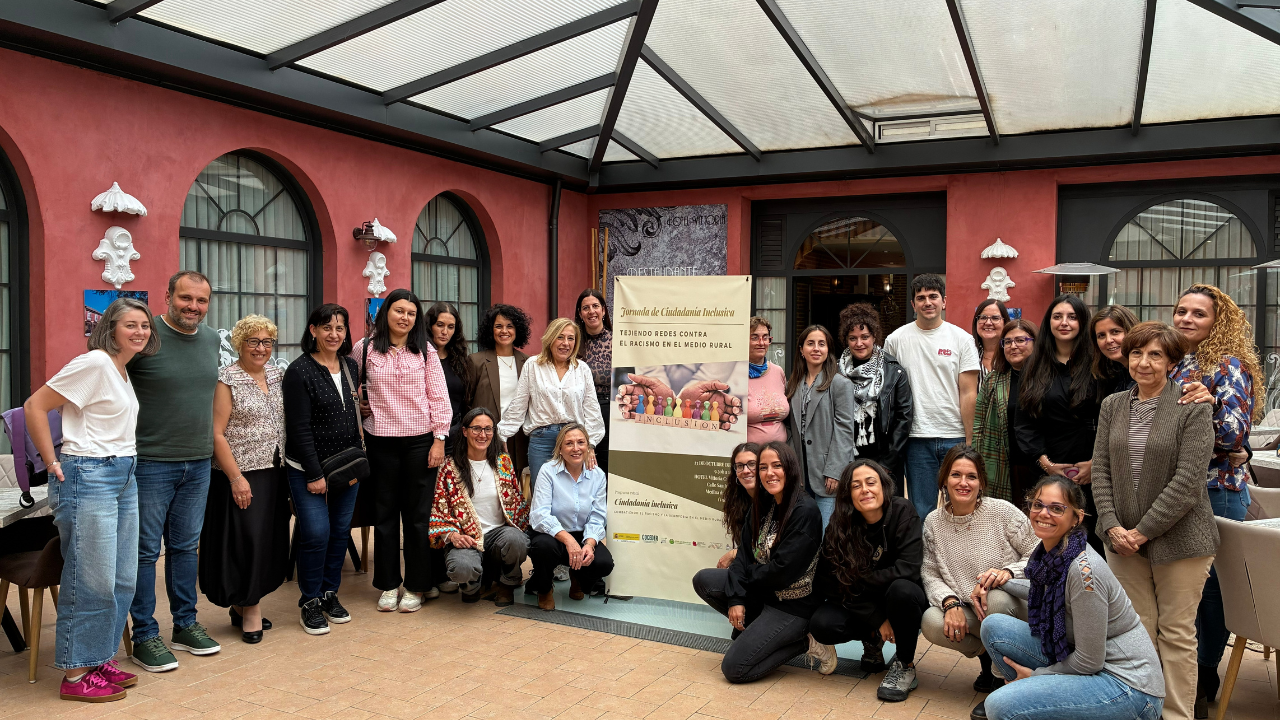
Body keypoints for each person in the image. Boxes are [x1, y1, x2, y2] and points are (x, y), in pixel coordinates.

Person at [25, 298, 156, 702]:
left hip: (123, 474)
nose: (139, 332)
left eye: (145, 326)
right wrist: (52, 461)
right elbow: (35, 406)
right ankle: (76, 673)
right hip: (90, 474)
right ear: (110, 328)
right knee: (91, 579)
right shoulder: (96, 362)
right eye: (130, 325)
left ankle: (99, 658)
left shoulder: (120, 369)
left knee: (120, 579)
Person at [1091, 321, 1217, 720]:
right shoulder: (1112, 405)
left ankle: (1177, 715)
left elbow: (1188, 483)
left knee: (1177, 635)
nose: (1143, 363)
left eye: (1155, 355)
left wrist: (1142, 532)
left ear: (1172, 361)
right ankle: (1142, 710)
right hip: (1121, 540)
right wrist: (1111, 526)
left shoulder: (1193, 407)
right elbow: (1101, 471)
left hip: (1181, 542)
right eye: (1136, 353)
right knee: (1137, 632)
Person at [976, 476, 1165, 720]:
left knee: (999, 706)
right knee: (994, 627)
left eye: (1056, 508)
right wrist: (996, 579)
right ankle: (1035, 704)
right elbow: (1041, 590)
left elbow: (1089, 662)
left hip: (1129, 687)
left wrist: (1036, 677)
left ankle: (1026, 700)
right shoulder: (1053, 552)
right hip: (1091, 667)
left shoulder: (1084, 572)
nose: (1044, 514)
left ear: (1076, 517)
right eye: (1038, 505)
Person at [1170, 284, 1264, 717]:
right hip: (1178, 489)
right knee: (1186, 586)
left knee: (1209, 589)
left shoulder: (1227, 364)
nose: (1187, 319)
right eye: (1181, 311)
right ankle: (1189, 669)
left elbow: (1233, 435)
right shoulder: (1174, 362)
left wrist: (1208, 406)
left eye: (1198, 314)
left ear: (1217, 321)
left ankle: (1206, 669)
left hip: (1216, 491)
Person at [126, 271, 222, 672]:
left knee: (185, 549)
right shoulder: (144, 339)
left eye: (201, 301)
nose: (193, 307)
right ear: (167, 297)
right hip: (150, 462)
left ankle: (185, 624)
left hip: (198, 462)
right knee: (145, 552)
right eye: (186, 298)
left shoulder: (213, 339)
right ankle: (144, 635)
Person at [352, 289, 452, 613]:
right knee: (384, 517)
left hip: (420, 443)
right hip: (379, 441)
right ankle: (388, 584)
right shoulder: (363, 348)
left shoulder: (425, 352)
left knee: (417, 518)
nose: (405, 317)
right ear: (386, 313)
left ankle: (416, 585)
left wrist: (439, 439)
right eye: (399, 310)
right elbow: (351, 389)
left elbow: (439, 398)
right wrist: (360, 404)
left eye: (411, 312)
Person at [692, 441, 823, 684]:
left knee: (734, 669)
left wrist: (744, 580)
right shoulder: (764, 502)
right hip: (765, 592)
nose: (769, 473)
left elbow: (782, 573)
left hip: (793, 604)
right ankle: (757, 627)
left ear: (791, 468)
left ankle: (804, 641)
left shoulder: (805, 511)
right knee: (704, 580)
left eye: (777, 466)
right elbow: (743, 554)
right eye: (763, 467)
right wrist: (737, 598)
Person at [199, 315, 289, 645]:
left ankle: (243, 603)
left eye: (267, 342)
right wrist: (236, 478)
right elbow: (217, 433)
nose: (260, 348)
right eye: (253, 341)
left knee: (266, 540)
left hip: (275, 469)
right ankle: (250, 608)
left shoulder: (277, 375)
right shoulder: (227, 379)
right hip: (241, 473)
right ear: (240, 344)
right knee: (247, 541)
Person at [921, 445, 1037, 695]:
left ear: (981, 482)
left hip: (1014, 606)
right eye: (956, 475)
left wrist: (1007, 572)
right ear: (944, 479)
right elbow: (930, 574)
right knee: (931, 621)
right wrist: (950, 603)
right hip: (971, 609)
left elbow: (1040, 553)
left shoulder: (1002, 512)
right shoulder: (933, 522)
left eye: (971, 476)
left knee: (994, 599)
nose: (963, 483)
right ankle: (989, 657)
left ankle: (1000, 681)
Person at [807, 461, 926, 703]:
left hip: (899, 597)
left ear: (884, 486)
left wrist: (860, 579)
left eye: (871, 482)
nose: (865, 490)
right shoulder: (840, 524)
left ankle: (905, 664)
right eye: (856, 485)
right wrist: (876, 619)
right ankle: (873, 637)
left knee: (902, 590)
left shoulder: (903, 511)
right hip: (861, 600)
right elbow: (832, 581)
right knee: (823, 624)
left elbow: (909, 568)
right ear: (848, 494)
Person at [283, 304, 363, 635]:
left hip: (347, 465)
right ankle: (310, 601)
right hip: (307, 468)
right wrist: (314, 474)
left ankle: (330, 593)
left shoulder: (350, 366)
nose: (334, 334)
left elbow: (351, 409)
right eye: (326, 327)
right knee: (316, 532)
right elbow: (298, 428)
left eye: (340, 328)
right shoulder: (298, 371)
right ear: (313, 330)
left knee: (341, 531)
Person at [883, 274, 980, 523]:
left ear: (943, 301)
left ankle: (958, 561)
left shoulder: (962, 339)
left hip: (955, 436)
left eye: (933, 296)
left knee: (962, 507)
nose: (928, 302)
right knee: (922, 510)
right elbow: (889, 394)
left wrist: (969, 440)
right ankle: (925, 562)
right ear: (913, 304)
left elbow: (969, 392)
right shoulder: (895, 341)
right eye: (921, 298)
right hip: (916, 439)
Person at [1015, 294, 1104, 554]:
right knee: (1051, 538)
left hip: (1092, 466)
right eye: (1057, 316)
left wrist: (1096, 463)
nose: (1064, 323)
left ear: (1082, 322)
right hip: (1048, 464)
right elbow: (1024, 422)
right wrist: (1046, 464)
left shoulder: (1099, 364)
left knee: (1091, 541)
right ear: (1048, 322)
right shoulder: (1033, 365)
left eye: (1072, 317)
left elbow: (1112, 418)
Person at [430, 407, 530, 606]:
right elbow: (439, 510)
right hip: (466, 538)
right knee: (461, 568)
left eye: (488, 429)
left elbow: (517, 503)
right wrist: (453, 536)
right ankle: (471, 585)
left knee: (518, 540)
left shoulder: (503, 462)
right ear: (465, 431)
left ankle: (507, 584)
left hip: (498, 535)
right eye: (476, 429)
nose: (482, 435)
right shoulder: (449, 467)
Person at [497, 318, 604, 489]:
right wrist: (502, 433)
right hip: (541, 441)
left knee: (573, 493)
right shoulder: (533, 365)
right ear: (550, 338)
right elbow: (519, 404)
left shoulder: (582, 369)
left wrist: (590, 445)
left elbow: (592, 410)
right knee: (542, 494)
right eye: (560, 337)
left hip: (574, 440)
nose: (565, 343)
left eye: (571, 338)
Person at [527, 423, 613, 610]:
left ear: (588, 447)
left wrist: (589, 544)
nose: (576, 448)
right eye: (569, 443)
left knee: (604, 564)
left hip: (582, 533)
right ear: (560, 449)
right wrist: (568, 540)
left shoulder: (597, 475)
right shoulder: (548, 471)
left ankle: (578, 578)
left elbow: (598, 516)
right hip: (551, 534)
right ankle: (544, 588)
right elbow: (539, 515)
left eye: (581, 442)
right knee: (543, 547)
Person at [785, 325, 855, 529]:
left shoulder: (840, 383)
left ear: (828, 349)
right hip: (800, 472)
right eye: (810, 343)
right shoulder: (793, 384)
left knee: (827, 533)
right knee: (804, 534)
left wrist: (835, 470)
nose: (816, 348)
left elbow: (845, 430)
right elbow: (790, 428)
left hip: (827, 474)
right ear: (801, 349)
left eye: (821, 344)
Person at [836, 303, 912, 490]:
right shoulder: (835, 372)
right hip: (847, 459)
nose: (859, 343)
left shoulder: (894, 371)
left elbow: (904, 418)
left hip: (884, 461)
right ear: (845, 340)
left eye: (865, 337)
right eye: (852, 338)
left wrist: (887, 464)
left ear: (874, 337)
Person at [972, 320, 1038, 503]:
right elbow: (979, 427)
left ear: (1035, 342)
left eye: (1020, 340)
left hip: (1040, 465)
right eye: (1007, 342)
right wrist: (977, 465)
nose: (1013, 346)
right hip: (1002, 465)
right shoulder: (993, 380)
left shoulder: (1046, 377)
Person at [468, 304, 533, 478]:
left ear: (517, 330)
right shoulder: (476, 361)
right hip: (484, 434)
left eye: (509, 326)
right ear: (491, 330)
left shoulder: (528, 363)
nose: (504, 331)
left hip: (516, 437)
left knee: (512, 488)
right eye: (498, 326)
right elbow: (467, 402)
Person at [576, 289, 612, 473]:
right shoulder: (572, 343)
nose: (591, 311)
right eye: (586, 308)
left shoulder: (618, 341)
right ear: (580, 314)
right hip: (579, 408)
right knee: (580, 460)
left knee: (604, 460)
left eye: (596, 306)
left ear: (604, 311)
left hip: (608, 408)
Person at [427, 301, 471, 446]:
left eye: (450, 327)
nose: (445, 332)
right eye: (440, 325)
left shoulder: (459, 360)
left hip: (455, 434)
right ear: (429, 326)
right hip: (423, 435)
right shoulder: (418, 357)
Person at [715, 442, 761, 569]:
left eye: (752, 464)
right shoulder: (737, 500)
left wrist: (734, 553)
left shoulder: (774, 499)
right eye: (740, 466)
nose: (746, 471)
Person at [747, 317, 789, 445]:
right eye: (754, 337)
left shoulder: (778, 372)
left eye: (765, 337)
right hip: (749, 456)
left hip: (779, 454)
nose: (761, 342)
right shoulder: (735, 374)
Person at [1090, 305, 1139, 396]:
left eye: (1115, 332)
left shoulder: (1147, 372)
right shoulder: (1114, 374)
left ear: (1131, 330)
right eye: (1101, 335)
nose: (1108, 340)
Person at [972, 299, 1010, 388]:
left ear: (1005, 323)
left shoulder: (1012, 352)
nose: (988, 323)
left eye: (995, 318)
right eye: (983, 318)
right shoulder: (967, 351)